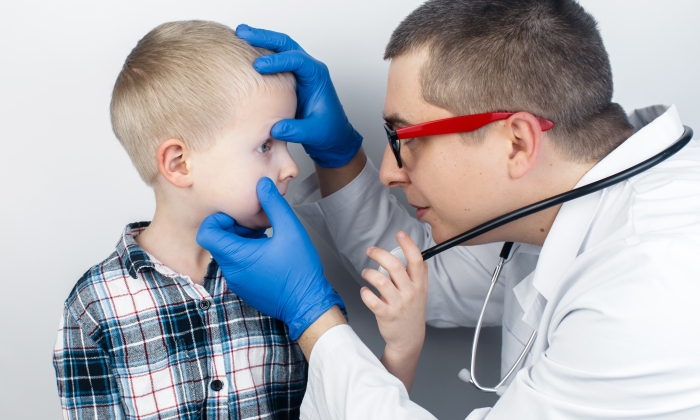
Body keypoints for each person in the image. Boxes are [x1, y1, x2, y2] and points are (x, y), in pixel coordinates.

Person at [196, 1, 700, 418]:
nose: (390, 171)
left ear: (518, 143)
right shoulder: (563, 200)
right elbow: (424, 275)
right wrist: (339, 157)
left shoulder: (652, 284)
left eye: (405, 138)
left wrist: (312, 317)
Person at [51, 20, 330, 419]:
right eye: (266, 145)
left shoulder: (286, 274)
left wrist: (399, 348)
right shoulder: (93, 306)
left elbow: (341, 402)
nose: (290, 168)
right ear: (180, 163)